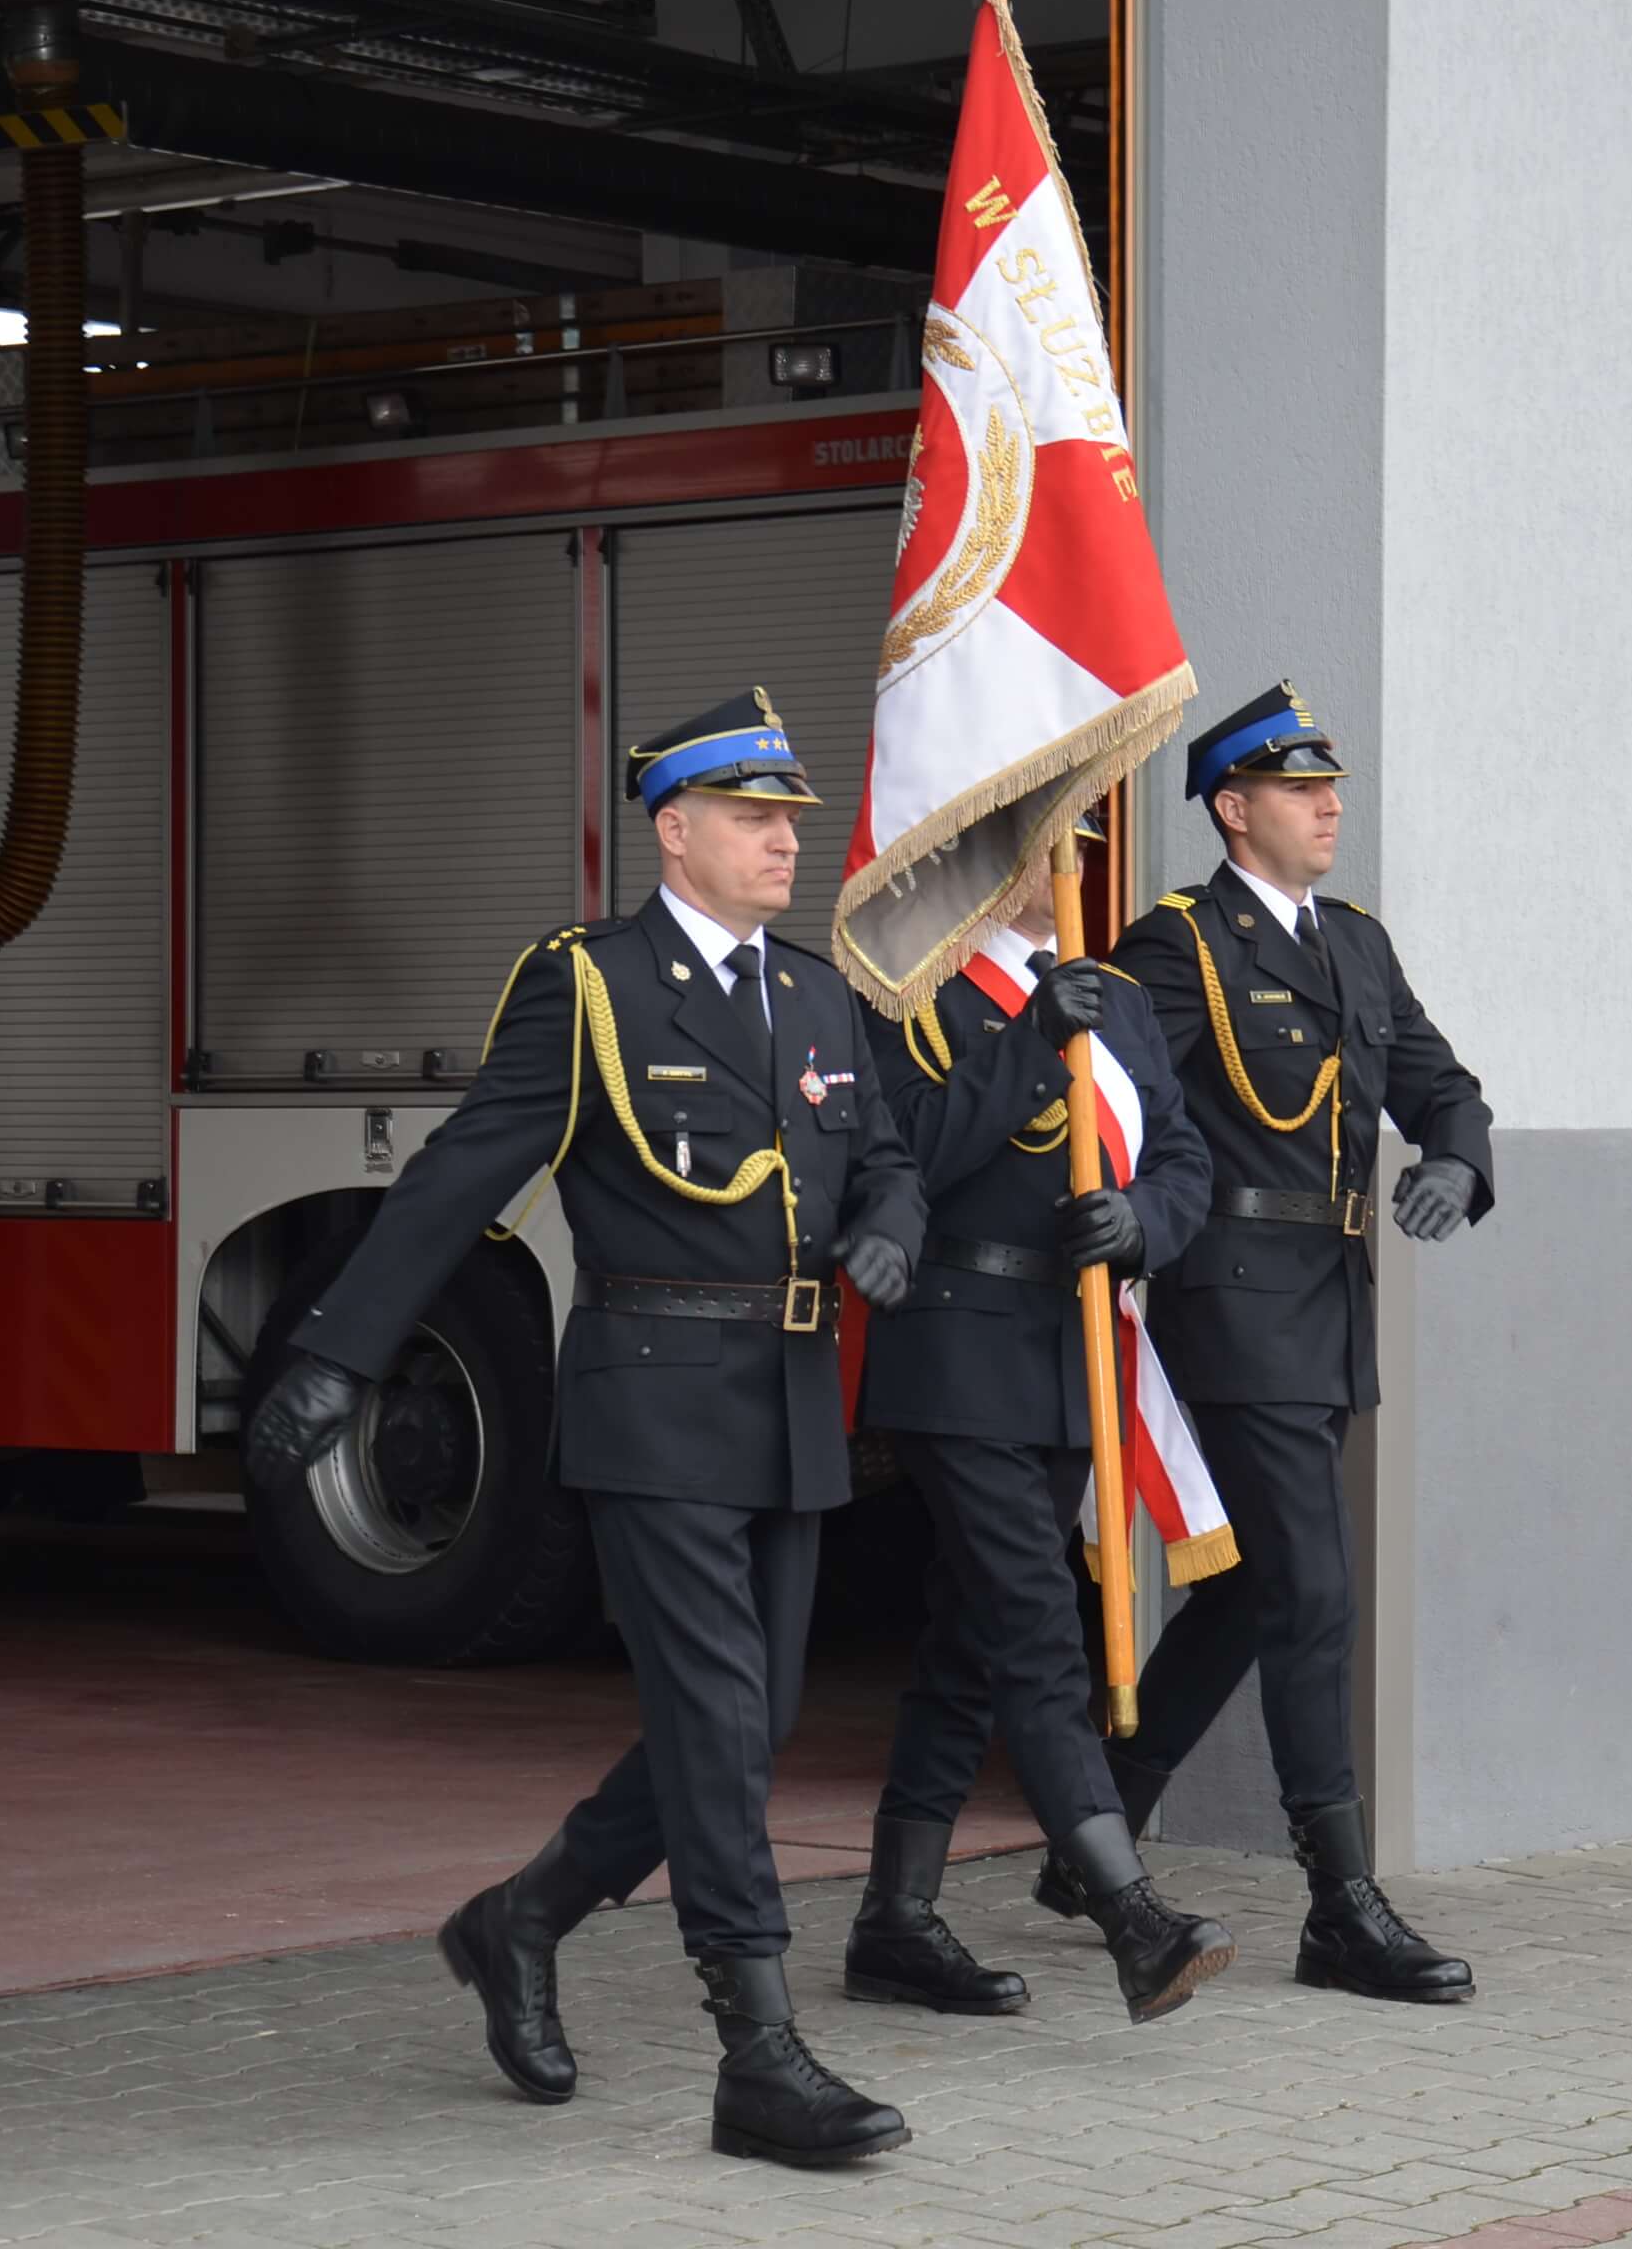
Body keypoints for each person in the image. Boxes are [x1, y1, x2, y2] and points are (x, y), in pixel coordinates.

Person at [243, 688, 927, 2168]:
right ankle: (757, 2050)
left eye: (789, 820)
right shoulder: (596, 986)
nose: (781, 843)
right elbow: (460, 1176)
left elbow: (886, 1157)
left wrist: (890, 1224)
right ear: (674, 832)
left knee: (750, 1723)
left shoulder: (816, 998)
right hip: (655, 1403)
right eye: (752, 818)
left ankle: (521, 1921)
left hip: (794, 1410)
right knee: (716, 1725)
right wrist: (334, 1361)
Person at [1055, 681, 1496, 2003]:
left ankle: (1097, 1828)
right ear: (1234, 811)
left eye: (1334, 788)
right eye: (1303, 792)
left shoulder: (1356, 945)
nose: (1331, 806)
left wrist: (1460, 1165)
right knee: (1313, 1592)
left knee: (1255, 1590)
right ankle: (1340, 1904)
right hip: (1229, 1297)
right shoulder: (1178, 945)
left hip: (1332, 1296)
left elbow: (1440, 1084)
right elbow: (1107, 1090)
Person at [842, 822, 1236, 2026]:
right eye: (1046, 844)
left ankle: (895, 1923)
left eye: (1081, 842)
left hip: (1073, 1354)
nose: (1070, 865)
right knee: (1033, 1624)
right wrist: (1028, 1041)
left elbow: (1183, 1156)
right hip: (958, 1346)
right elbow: (908, 1156)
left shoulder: (1111, 995)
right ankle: (1129, 1911)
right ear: (985, 860)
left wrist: (1142, 1222)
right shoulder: (912, 989)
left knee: (972, 1643)